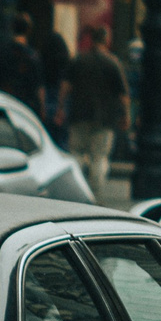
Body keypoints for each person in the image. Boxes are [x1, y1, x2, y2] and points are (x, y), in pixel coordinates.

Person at [66, 25, 129, 202]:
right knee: (99, 157)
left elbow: (65, 88)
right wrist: (125, 116)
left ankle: (76, 191)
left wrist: (61, 109)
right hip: (105, 119)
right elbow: (123, 95)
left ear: (92, 40)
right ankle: (94, 195)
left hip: (79, 115)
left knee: (76, 153)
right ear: (106, 40)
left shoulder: (79, 60)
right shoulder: (112, 63)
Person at [0, 13, 45, 117]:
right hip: (26, 108)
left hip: (6, 103)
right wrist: (42, 109)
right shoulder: (33, 57)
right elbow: (39, 87)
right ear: (29, 30)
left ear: (12, 28)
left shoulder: (2, 53)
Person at [36, 19, 73, 145]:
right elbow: (66, 85)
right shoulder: (65, 64)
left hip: (46, 99)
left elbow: (40, 86)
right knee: (62, 138)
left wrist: (42, 107)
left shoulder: (41, 63)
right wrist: (61, 107)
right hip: (60, 101)